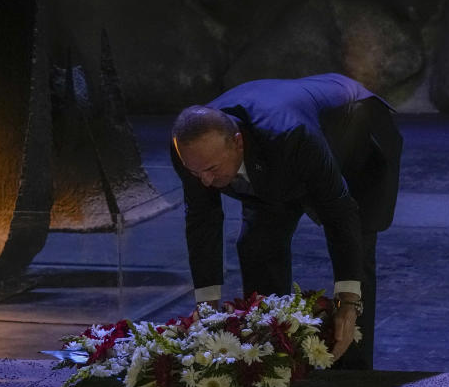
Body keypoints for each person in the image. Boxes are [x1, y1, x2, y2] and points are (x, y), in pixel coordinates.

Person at [170, 73, 402, 369]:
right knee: (257, 245)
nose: (204, 181)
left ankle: (351, 364)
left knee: (357, 245)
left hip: (356, 137)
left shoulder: (292, 136)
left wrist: (347, 301)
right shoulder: (192, 152)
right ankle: (269, 355)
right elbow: (202, 220)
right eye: (196, 172)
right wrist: (206, 306)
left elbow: (339, 214)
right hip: (272, 161)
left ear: (237, 143)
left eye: (212, 169)